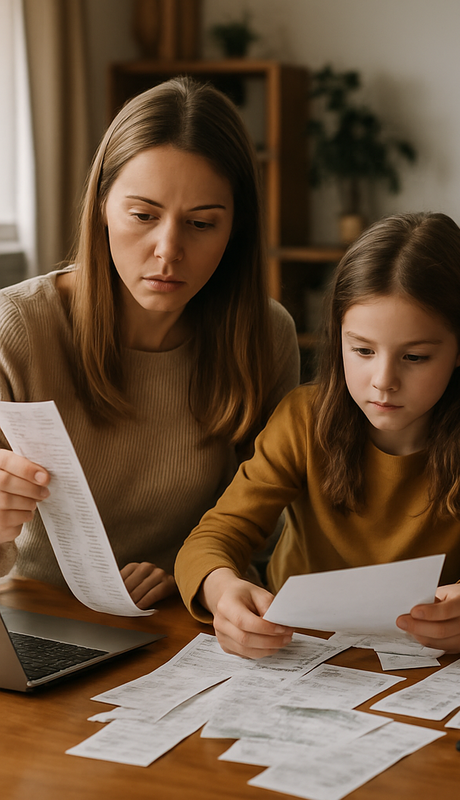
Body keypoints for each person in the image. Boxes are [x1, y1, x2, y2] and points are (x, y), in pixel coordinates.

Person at [174, 211, 460, 657]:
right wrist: (221, 590)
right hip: (298, 648)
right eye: (363, 350)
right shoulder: (301, 419)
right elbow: (214, 537)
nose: (383, 380)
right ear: (338, 336)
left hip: (428, 655)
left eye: (416, 357)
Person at [0, 77, 299, 609]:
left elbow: (261, 531)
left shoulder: (266, 336)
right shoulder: (16, 329)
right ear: (100, 206)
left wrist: (197, 578)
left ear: (236, 230)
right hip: (39, 617)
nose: (168, 250)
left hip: (182, 620)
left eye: (201, 223)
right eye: (143, 216)